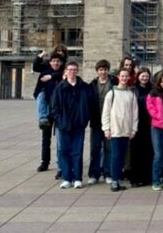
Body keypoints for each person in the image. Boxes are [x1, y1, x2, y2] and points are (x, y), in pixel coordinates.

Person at [50, 60, 95, 190]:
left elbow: (91, 105)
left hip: (79, 125)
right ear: (65, 71)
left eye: (74, 69)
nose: (72, 72)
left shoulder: (84, 87)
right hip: (64, 125)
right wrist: (59, 120)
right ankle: (66, 178)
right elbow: (54, 107)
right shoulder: (59, 88)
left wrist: (85, 118)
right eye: (70, 69)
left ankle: (77, 178)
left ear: (77, 71)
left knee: (77, 152)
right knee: (64, 151)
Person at [102, 67, 138, 192]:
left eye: (126, 76)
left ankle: (117, 178)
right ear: (118, 77)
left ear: (129, 78)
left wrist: (133, 129)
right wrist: (106, 128)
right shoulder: (111, 93)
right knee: (115, 156)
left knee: (122, 156)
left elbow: (135, 113)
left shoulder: (131, 94)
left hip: (126, 130)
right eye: (122, 76)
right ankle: (114, 180)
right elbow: (106, 112)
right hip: (115, 130)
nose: (124, 78)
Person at [87, 59, 116, 185]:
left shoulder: (114, 82)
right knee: (95, 148)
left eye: (105, 69)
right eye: (100, 70)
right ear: (97, 71)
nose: (103, 72)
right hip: (96, 121)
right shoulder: (92, 84)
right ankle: (94, 174)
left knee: (109, 149)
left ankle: (107, 173)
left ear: (108, 70)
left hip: (110, 122)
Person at [34, 52, 63, 174]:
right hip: (47, 111)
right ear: (50, 62)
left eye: (58, 61)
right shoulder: (44, 73)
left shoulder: (63, 74)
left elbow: (62, 75)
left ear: (61, 63)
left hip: (59, 111)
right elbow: (38, 89)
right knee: (46, 139)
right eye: (53, 61)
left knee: (60, 140)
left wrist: (52, 77)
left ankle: (60, 164)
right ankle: (44, 162)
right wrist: (39, 56)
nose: (55, 63)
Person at [130, 67, 153, 187]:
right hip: (137, 122)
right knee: (136, 151)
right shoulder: (133, 90)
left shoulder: (152, 89)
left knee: (148, 150)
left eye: (146, 76)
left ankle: (147, 177)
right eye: (142, 76)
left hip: (149, 122)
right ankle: (135, 177)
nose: (144, 78)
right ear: (138, 76)